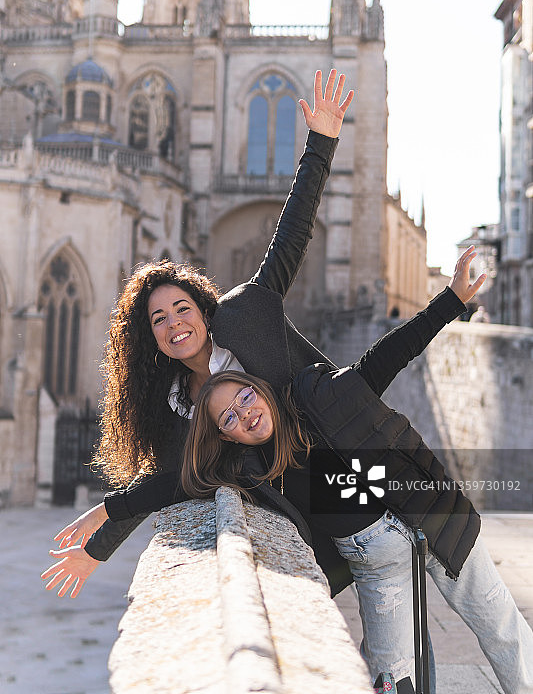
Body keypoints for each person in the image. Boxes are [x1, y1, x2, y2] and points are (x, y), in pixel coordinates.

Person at [64, 250, 530, 694]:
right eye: (227, 418)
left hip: (426, 507)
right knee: (395, 674)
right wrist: (104, 521)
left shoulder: (314, 395)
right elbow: (170, 481)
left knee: (502, 626)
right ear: (221, 434)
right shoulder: (243, 463)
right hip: (377, 556)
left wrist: (451, 301)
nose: (243, 415)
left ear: (256, 384)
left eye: (245, 398)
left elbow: (388, 356)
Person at [41, 68, 354, 596]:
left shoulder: (247, 320)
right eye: (157, 320)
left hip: (343, 476)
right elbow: (162, 482)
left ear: (204, 310)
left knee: (424, 581)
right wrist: (95, 551)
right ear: (150, 340)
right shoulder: (173, 402)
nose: (173, 324)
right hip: (302, 534)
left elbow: (290, 239)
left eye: (180, 308)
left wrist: (321, 143)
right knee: (369, 653)